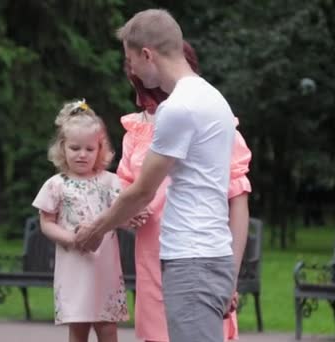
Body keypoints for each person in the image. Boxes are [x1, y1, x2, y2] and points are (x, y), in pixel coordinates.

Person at [75, 9, 250, 342]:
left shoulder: (178, 108)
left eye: (131, 60)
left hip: (191, 262)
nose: (132, 71)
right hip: (212, 257)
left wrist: (96, 230)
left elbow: (142, 191)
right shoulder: (215, 99)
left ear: (147, 54)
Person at [117, 40, 251, 342]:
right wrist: (126, 217)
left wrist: (230, 276)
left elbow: (238, 202)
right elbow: (125, 195)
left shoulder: (209, 116)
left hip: (199, 258)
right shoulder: (135, 133)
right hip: (152, 261)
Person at [32, 100, 136, 342]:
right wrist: (70, 238)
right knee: (78, 327)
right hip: (74, 265)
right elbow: (46, 222)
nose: (82, 155)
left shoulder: (111, 182)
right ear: (62, 147)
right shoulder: (56, 185)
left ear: (101, 149)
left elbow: (121, 216)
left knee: (107, 326)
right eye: (75, 148)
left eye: (90, 149)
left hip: (104, 267)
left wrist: (132, 218)